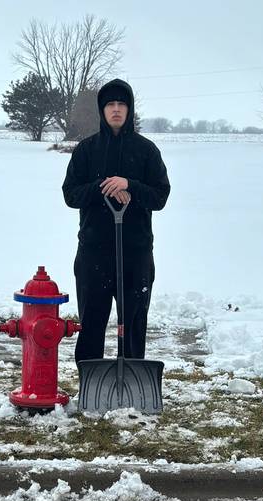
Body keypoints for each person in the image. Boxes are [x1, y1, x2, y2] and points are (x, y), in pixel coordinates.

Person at [62, 78, 170, 364]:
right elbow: (70, 194)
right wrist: (103, 187)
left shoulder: (146, 151)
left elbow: (160, 197)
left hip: (135, 252)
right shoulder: (86, 150)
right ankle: (90, 379)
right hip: (93, 251)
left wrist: (130, 185)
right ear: (102, 110)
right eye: (110, 104)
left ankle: (133, 377)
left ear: (130, 109)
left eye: (122, 104)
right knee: (91, 322)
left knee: (133, 322)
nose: (116, 109)